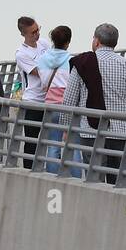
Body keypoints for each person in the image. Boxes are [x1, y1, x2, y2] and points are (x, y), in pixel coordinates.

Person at [62, 24, 126, 185]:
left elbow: (69, 100)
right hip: (121, 133)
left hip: (91, 133)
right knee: (119, 182)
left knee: (94, 182)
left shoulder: (83, 64)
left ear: (97, 41)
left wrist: (66, 129)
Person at [35, 26, 80, 176]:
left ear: (53, 41)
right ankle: (76, 179)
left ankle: (52, 177)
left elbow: (43, 86)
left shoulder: (42, 60)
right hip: (68, 107)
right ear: (68, 42)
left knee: (53, 144)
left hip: (50, 106)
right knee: (72, 145)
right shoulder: (73, 61)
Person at [14, 16, 52, 169]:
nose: (37, 34)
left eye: (38, 30)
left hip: (48, 98)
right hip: (32, 101)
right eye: (33, 32)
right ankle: (29, 170)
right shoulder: (21, 53)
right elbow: (39, 72)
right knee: (32, 140)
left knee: (48, 139)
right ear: (24, 34)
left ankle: (44, 168)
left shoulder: (44, 43)